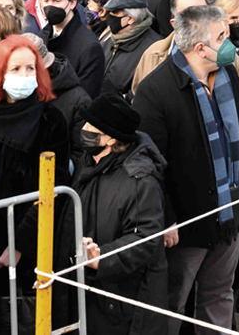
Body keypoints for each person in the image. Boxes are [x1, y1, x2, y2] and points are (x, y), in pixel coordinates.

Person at [132, 5, 239, 335]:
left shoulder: (229, 73)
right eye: (222, 36)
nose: (231, 42)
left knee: (219, 296)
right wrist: (164, 218)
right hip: (186, 224)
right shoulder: (155, 90)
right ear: (200, 48)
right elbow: (148, 164)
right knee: (173, 305)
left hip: (229, 214)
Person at [0, 36, 70, 331]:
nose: (24, 76)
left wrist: (21, 244)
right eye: (16, 69)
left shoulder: (50, 119)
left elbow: (55, 187)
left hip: (28, 244)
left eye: (30, 69)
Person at [74, 93, 168, 335]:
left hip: (124, 304)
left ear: (111, 139)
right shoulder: (89, 163)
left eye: (91, 127)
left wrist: (102, 257)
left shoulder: (140, 181)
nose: (84, 129)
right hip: (98, 296)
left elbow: (146, 238)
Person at [130, 0, 239, 136]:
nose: (204, 19)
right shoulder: (153, 55)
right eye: (193, 15)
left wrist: (238, 150)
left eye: (206, 12)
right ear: (175, 24)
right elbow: (139, 110)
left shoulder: (228, 60)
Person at [38, 0, 107, 97]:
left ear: (72, 3)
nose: (49, 6)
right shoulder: (41, 37)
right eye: (46, 0)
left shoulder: (89, 47)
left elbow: (85, 97)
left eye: (56, 0)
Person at [101, 0, 163, 96]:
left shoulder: (153, 49)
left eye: (115, 13)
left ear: (131, 19)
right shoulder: (110, 37)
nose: (110, 17)